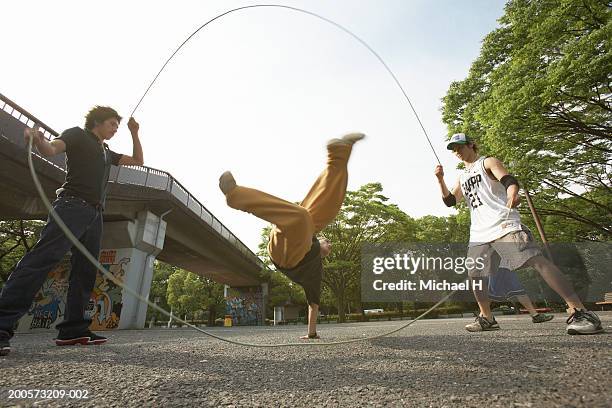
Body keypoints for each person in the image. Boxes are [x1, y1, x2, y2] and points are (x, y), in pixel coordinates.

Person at [0, 106, 144, 356]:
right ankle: (2, 323)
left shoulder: (106, 151)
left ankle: (73, 329)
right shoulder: (77, 134)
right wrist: (39, 140)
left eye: (117, 126)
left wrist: (134, 132)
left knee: (85, 271)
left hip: (95, 214)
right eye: (112, 124)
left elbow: (139, 162)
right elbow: (52, 149)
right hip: (71, 206)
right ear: (97, 122)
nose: (115, 129)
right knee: (42, 260)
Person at [434, 133, 602, 335]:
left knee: (535, 260)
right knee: (475, 274)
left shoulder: (487, 162)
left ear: (471, 145)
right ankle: (486, 318)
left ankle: (581, 311)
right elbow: (450, 201)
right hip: (479, 232)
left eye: (460, 146)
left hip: (503, 222)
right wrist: (440, 179)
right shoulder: (462, 176)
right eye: (454, 149)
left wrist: (513, 192)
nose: (457, 151)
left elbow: (508, 179)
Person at [219, 133, 365, 339]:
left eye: (329, 246)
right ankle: (338, 155)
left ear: (324, 253)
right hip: (283, 237)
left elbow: (313, 303)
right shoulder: (310, 235)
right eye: (328, 241)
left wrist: (311, 333)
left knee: (303, 216)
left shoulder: (316, 270)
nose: (328, 244)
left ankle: (236, 197)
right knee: (322, 210)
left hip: (288, 258)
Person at [488, 267, 554, 323]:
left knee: (518, 289)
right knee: (492, 293)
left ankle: (535, 315)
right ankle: (483, 315)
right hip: (495, 265)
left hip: (506, 265)